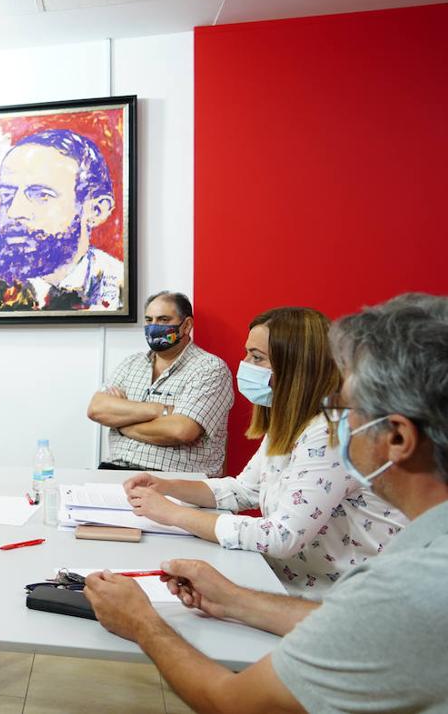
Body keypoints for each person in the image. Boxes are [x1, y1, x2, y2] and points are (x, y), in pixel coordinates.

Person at [83, 293, 448, 713]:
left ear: (398, 437)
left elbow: (235, 702)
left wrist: (143, 624)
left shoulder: (403, 586)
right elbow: (245, 490)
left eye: (345, 406)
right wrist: (231, 597)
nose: (337, 420)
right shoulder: (413, 560)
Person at [121, 307, 406, 597]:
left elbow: (281, 536)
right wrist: (168, 487)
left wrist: (172, 514)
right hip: (291, 584)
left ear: (295, 365)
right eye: (247, 354)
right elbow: (243, 489)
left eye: (257, 357)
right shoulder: (289, 423)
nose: (244, 364)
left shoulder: (332, 433)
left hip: (343, 598)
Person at [0, 129, 124, 312]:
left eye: (41, 195)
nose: (13, 212)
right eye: (7, 195)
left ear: (96, 210)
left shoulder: (120, 285)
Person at [86, 291, 233, 475]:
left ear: (186, 325)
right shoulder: (132, 363)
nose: (154, 327)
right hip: (114, 470)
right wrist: (160, 410)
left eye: (163, 320)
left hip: (174, 480)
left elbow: (181, 431)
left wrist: (122, 424)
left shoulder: (210, 369)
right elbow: (96, 408)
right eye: (149, 320)